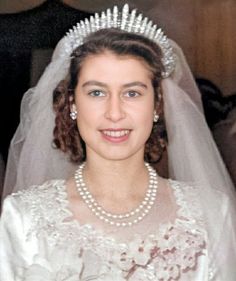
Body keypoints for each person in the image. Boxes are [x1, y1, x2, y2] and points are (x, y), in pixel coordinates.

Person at [1, 4, 236, 281]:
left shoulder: (211, 214)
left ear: (157, 104)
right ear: (73, 103)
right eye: (97, 92)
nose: (115, 113)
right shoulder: (23, 218)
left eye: (133, 93)